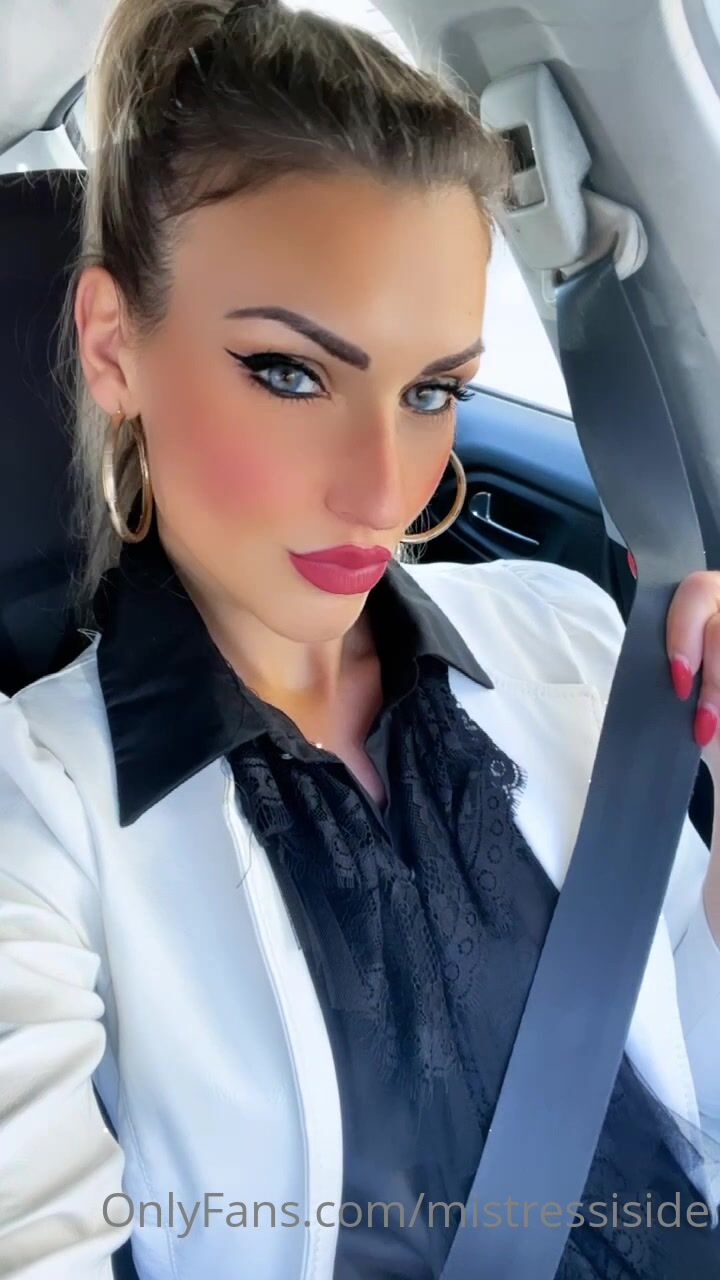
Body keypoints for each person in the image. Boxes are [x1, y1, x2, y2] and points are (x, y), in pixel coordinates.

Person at [1, 1, 720, 1277]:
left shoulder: (573, 641)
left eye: (433, 388)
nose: (385, 491)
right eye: (290, 372)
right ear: (114, 347)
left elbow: (690, 1114)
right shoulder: (37, 809)